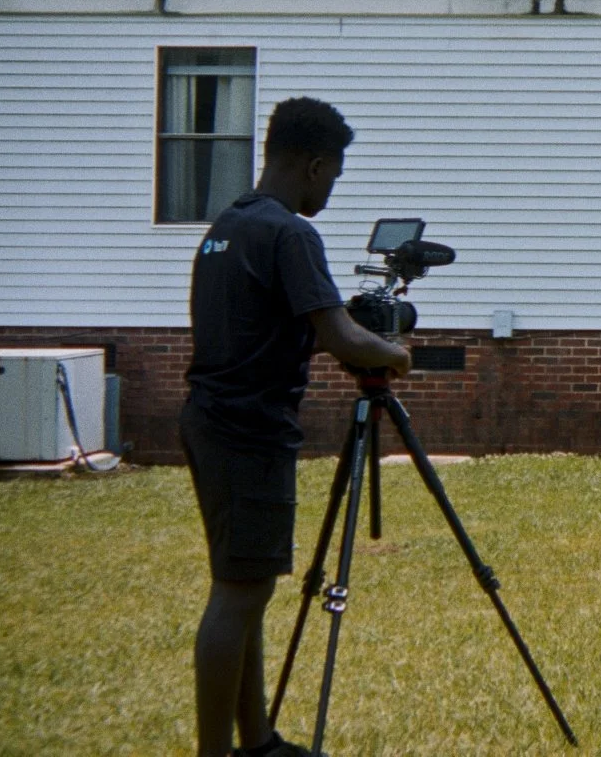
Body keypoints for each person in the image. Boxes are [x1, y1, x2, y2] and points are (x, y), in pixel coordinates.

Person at [181, 96, 411, 757]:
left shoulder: (228, 225)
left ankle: (258, 742)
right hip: (249, 430)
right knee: (239, 592)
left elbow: (262, 332)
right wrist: (393, 353)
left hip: (209, 420)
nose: (332, 188)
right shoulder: (291, 233)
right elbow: (339, 332)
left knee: (244, 585)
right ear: (313, 165)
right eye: (334, 175)